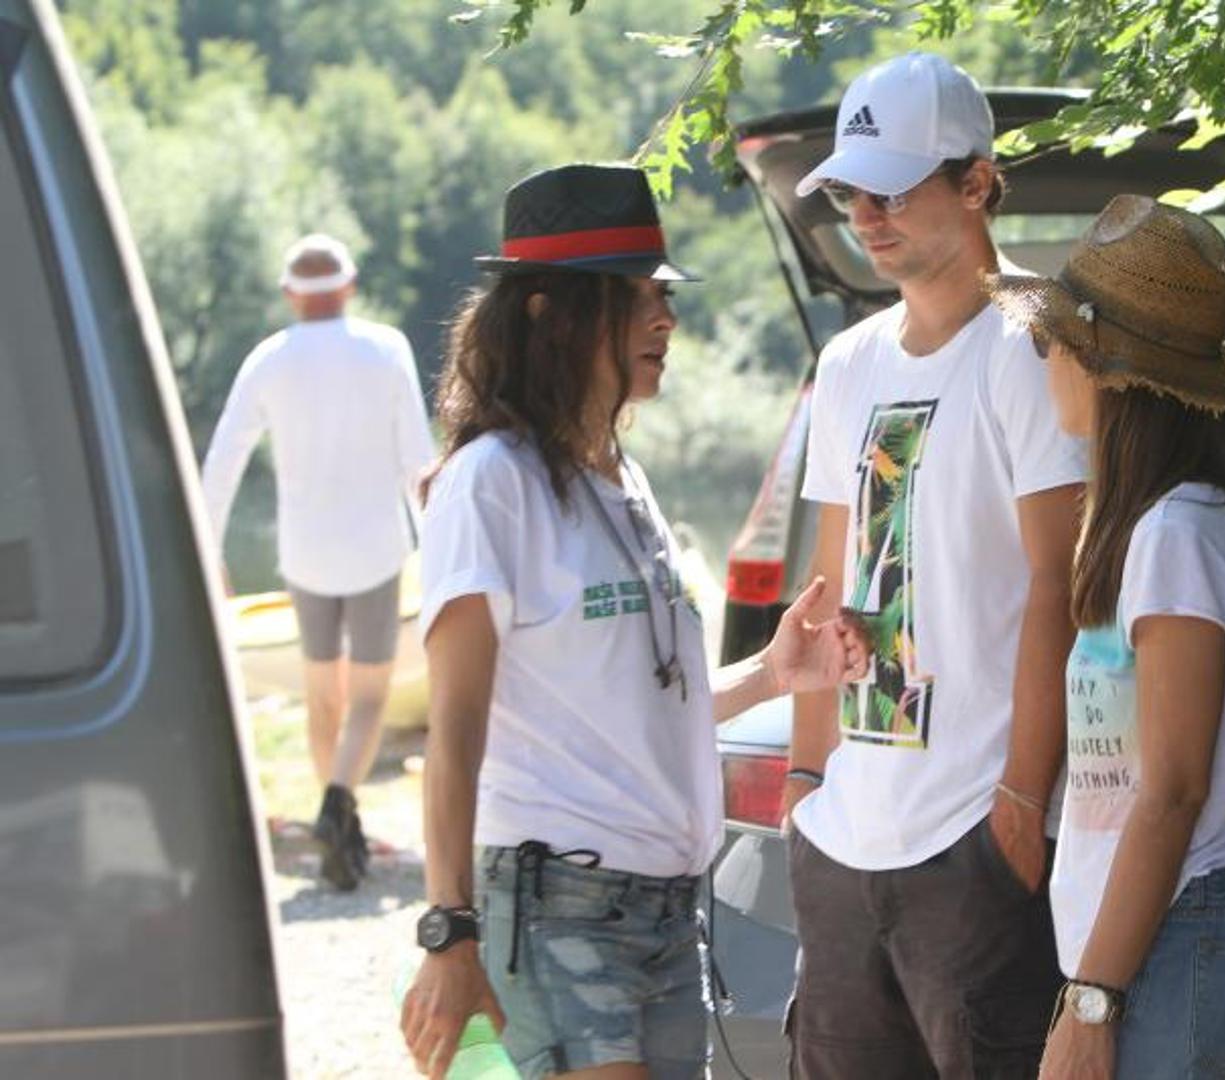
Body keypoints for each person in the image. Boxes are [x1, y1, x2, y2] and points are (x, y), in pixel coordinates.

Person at [397, 163, 869, 1080]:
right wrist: (447, 932)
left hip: (666, 907)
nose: (666, 321)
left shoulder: (622, 479)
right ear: (550, 314)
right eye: (637, 297)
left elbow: (634, 708)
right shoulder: (490, 482)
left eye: (666, 297)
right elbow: (453, 730)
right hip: (557, 902)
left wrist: (772, 674)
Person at [784, 52, 1090, 1078]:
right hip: (845, 837)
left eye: (892, 189)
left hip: (973, 840)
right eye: (849, 192)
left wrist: (1021, 807)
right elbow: (825, 591)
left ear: (976, 182)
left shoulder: (1033, 341)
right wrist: (804, 788)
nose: (865, 216)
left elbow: (1063, 584)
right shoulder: (846, 361)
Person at [984, 194, 1225, 1079]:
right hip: (1162, 938)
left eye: (1054, 340)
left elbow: (1171, 794)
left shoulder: (1178, 533)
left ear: (1105, 364)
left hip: (1181, 934)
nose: (1043, 357)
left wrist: (1091, 1002)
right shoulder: (1162, 524)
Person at [201, 233, 435, 891]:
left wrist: (208, 550)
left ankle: (336, 818)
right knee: (368, 697)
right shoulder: (386, 349)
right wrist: (442, 549)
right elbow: (417, 460)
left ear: (288, 295)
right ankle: (339, 805)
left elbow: (223, 459)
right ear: (350, 286)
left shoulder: (268, 359)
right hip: (376, 552)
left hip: (304, 556)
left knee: (322, 695)